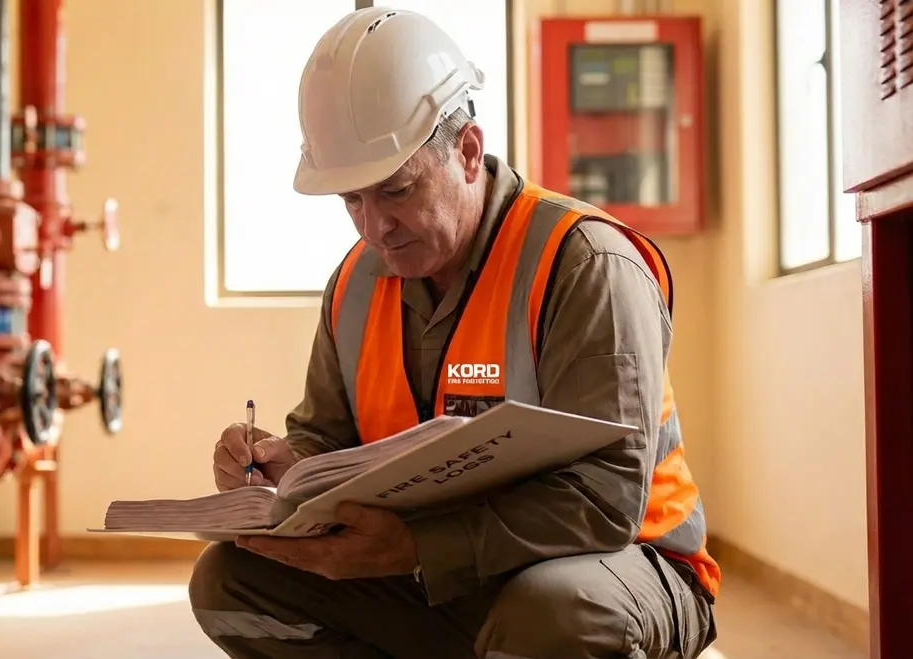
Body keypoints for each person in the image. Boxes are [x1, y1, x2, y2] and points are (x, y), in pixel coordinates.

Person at [189, 7, 719, 658]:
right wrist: (280, 472)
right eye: (351, 201)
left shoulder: (583, 264)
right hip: (442, 571)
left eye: (396, 190)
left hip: (623, 560)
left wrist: (417, 547)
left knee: (553, 614)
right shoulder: (356, 284)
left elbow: (609, 497)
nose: (374, 227)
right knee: (231, 581)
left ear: (468, 150)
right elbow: (329, 438)